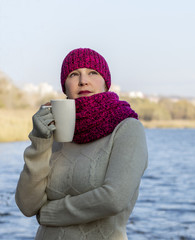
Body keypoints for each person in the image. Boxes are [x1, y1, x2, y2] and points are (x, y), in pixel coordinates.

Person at [15, 48, 148, 240]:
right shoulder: (54, 132)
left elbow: (114, 199)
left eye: (93, 73)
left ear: (105, 82)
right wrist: (40, 141)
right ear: (65, 86)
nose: (83, 80)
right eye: (73, 74)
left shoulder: (127, 128)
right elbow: (27, 206)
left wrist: (49, 213)